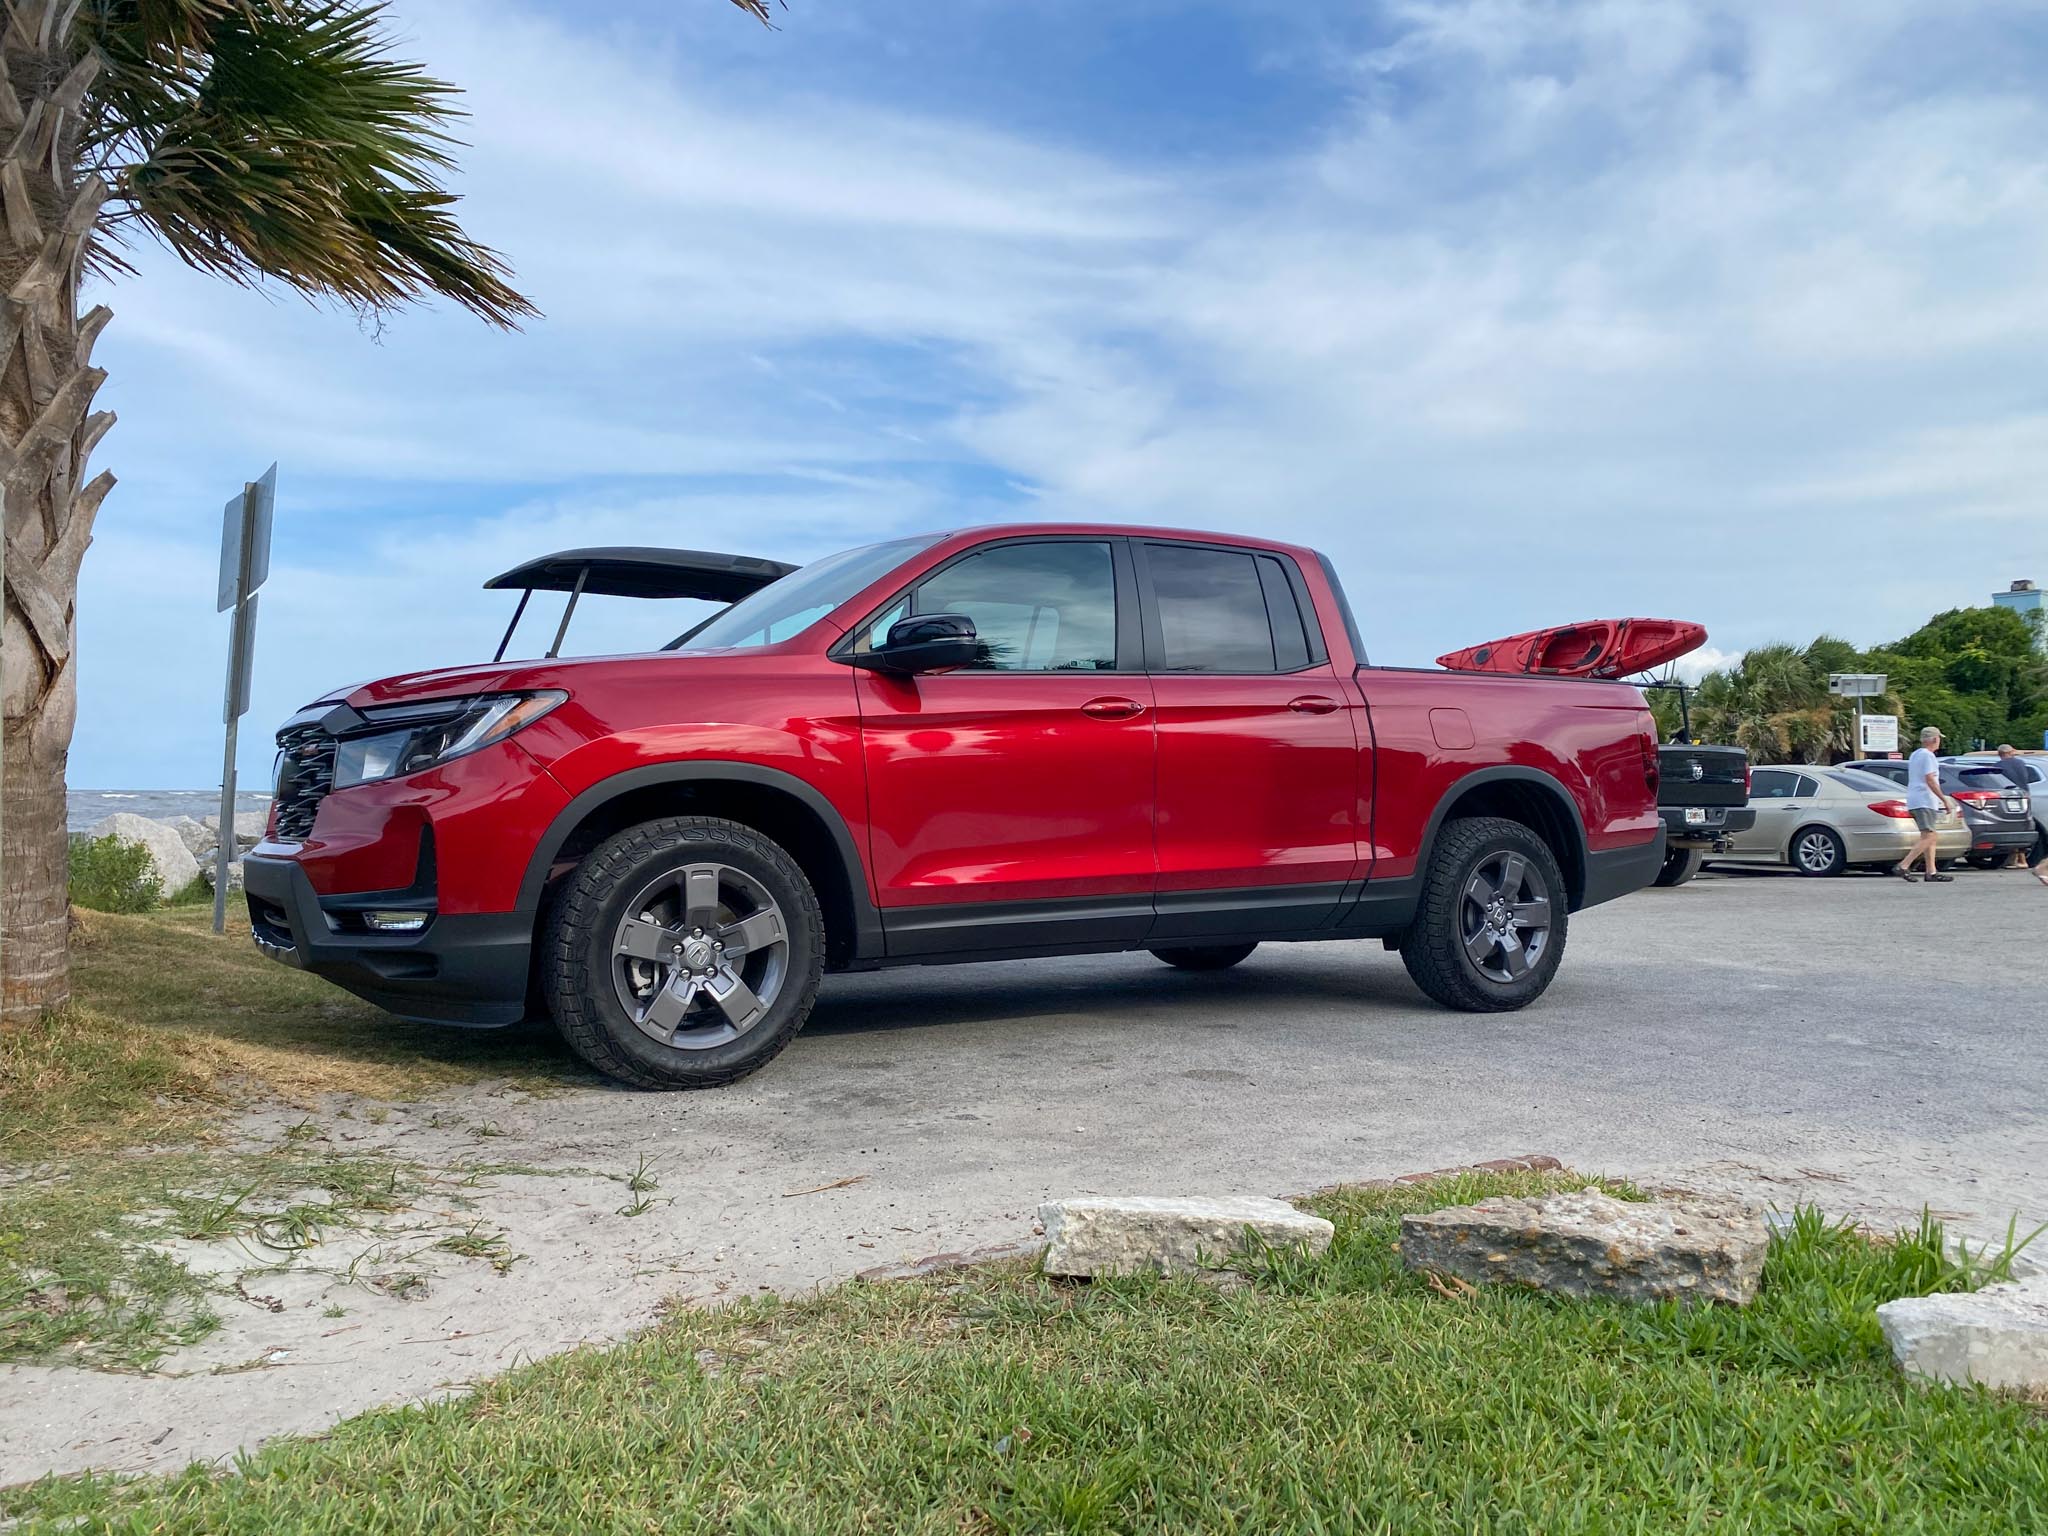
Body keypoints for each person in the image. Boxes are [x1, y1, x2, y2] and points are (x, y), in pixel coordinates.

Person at [1894, 725, 1957, 883]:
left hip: (1916, 798)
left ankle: (1931, 871)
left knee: (1928, 836)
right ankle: (1904, 865)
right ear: (1935, 739)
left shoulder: (1916, 754)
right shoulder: (1928, 756)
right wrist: (1944, 799)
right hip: (1924, 799)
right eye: (1938, 739)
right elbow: (1930, 779)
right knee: (1930, 835)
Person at [1991, 744, 2048, 885]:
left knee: (2011, 828)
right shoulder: (2022, 763)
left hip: (2006, 797)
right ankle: (2021, 859)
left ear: (1999, 754)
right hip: (2024, 796)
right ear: (2011, 752)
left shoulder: (1998, 766)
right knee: (2023, 827)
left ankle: (2019, 859)